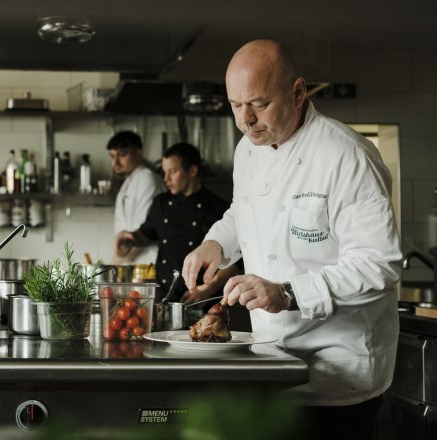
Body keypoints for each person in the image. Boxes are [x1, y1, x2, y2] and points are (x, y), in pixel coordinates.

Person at [181, 39, 401, 439]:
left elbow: (379, 263)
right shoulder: (249, 150)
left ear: (298, 92)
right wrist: (216, 243)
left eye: (259, 104)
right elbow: (242, 210)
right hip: (273, 363)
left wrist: (287, 293)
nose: (245, 121)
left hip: (338, 375)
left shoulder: (347, 156)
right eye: (235, 105)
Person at [114, 142, 240, 302]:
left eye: (172, 172)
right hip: (164, 296)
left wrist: (209, 288)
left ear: (192, 171)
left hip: (201, 300)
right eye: (164, 172)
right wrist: (128, 237)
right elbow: (146, 234)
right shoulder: (161, 203)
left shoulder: (218, 208)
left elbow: (236, 262)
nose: (166, 178)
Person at [107, 131, 166, 264]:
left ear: (138, 154)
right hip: (132, 265)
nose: (115, 162)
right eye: (112, 156)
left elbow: (142, 234)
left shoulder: (147, 179)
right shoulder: (129, 182)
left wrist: (112, 267)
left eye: (122, 155)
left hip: (149, 265)